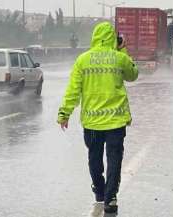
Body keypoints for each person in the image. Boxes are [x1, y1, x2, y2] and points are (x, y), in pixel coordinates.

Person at [57, 22, 138, 214]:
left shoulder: (83, 60)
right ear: (113, 38)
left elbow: (73, 90)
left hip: (92, 123)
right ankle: (110, 197)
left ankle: (99, 190)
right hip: (116, 122)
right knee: (114, 160)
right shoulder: (119, 58)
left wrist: (64, 113)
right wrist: (123, 49)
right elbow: (133, 74)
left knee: (94, 159)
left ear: (94, 37)